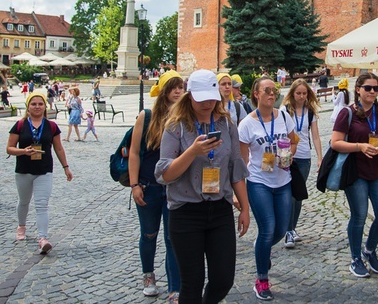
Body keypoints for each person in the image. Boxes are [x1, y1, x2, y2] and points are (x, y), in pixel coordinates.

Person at [156, 69, 250, 304]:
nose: (208, 103)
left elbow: (235, 168)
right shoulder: (175, 126)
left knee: (223, 279)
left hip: (219, 209)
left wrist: (245, 208)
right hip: (186, 212)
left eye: (212, 97)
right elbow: (165, 174)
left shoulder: (226, 124)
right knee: (191, 284)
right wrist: (192, 152)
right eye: (202, 98)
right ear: (190, 96)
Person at [238, 76, 298, 300]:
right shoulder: (246, 124)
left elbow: (294, 140)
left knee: (281, 230)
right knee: (267, 228)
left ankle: (261, 248)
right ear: (256, 94)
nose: (272, 94)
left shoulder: (283, 116)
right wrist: (240, 196)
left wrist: (289, 152)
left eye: (274, 90)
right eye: (267, 91)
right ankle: (261, 279)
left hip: (283, 180)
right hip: (259, 181)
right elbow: (243, 162)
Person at [330, 72, 378, 278]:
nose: (373, 91)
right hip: (356, 172)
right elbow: (335, 142)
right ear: (358, 89)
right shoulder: (347, 113)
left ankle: (369, 249)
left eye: (376, 88)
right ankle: (355, 258)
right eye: (368, 88)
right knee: (359, 216)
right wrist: (359, 146)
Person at [127, 70, 184, 299]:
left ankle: (174, 288)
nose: (178, 91)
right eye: (173, 87)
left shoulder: (185, 116)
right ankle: (148, 275)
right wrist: (134, 185)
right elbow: (134, 153)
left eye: (181, 87)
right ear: (163, 90)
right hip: (149, 186)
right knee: (149, 234)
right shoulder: (147, 116)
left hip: (175, 188)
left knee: (173, 238)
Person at [6, 92, 73, 254]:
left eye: (40, 104)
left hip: (44, 171)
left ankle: (43, 238)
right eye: (34, 104)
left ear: (45, 107)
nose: (37, 107)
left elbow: (58, 148)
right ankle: (21, 226)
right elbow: (9, 148)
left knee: (42, 205)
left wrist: (66, 167)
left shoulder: (51, 126)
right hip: (24, 170)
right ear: (28, 107)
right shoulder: (20, 125)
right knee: (24, 201)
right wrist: (23, 151)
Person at [280, 78, 323, 248]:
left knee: (298, 194)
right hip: (287, 155)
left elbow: (316, 135)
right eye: (298, 93)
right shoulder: (285, 110)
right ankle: (288, 230)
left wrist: (320, 157)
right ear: (292, 93)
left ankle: (292, 228)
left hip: (304, 156)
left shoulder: (310, 111)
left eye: (304, 93)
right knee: (288, 194)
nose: (301, 96)